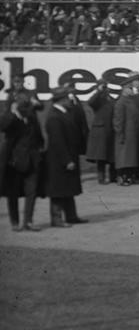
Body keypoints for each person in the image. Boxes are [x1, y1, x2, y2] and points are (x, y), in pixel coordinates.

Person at [0, 87, 44, 231]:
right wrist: (12, 113)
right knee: (13, 194)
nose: (27, 108)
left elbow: (38, 135)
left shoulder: (31, 117)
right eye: (24, 105)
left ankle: (28, 222)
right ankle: (15, 222)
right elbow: (3, 126)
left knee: (32, 192)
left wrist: (39, 149)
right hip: (14, 162)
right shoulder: (10, 119)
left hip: (32, 160)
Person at [44, 85, 86, 227]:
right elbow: (57, 142)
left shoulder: (64, 113)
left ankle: (71, 216)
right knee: (58, 190)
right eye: (67, 97)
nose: (70, 100)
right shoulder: (54, 117)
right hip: (59, 160)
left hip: (68, 156)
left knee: (68, 188)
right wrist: (66, 160)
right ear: (61, 100)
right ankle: (56, 219)